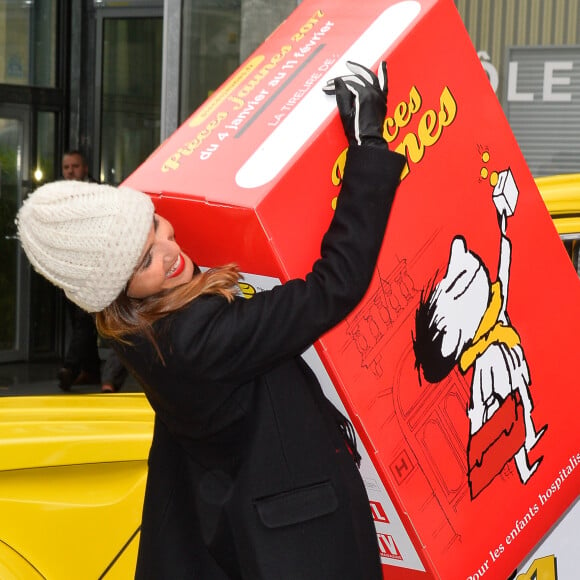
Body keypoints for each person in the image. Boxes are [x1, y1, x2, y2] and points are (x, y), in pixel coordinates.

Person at [17, 61, 406, 579]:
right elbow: (334, 287)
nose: (170, 251)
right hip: (301, 548)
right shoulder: (194, 339)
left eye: (155, 225)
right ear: (117, 291)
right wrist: (368, 151)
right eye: (144, 260)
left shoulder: (141, 328)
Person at [58, 149, 129, 393]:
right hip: (69, 267)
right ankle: (90, 371)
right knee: (80, 321)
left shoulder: (101, 194)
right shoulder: (57, 197)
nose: (70, 171)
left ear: (85, 168)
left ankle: (74, 368)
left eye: (74, 166)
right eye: (66, 167)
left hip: (97, 268)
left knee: (89, 319)